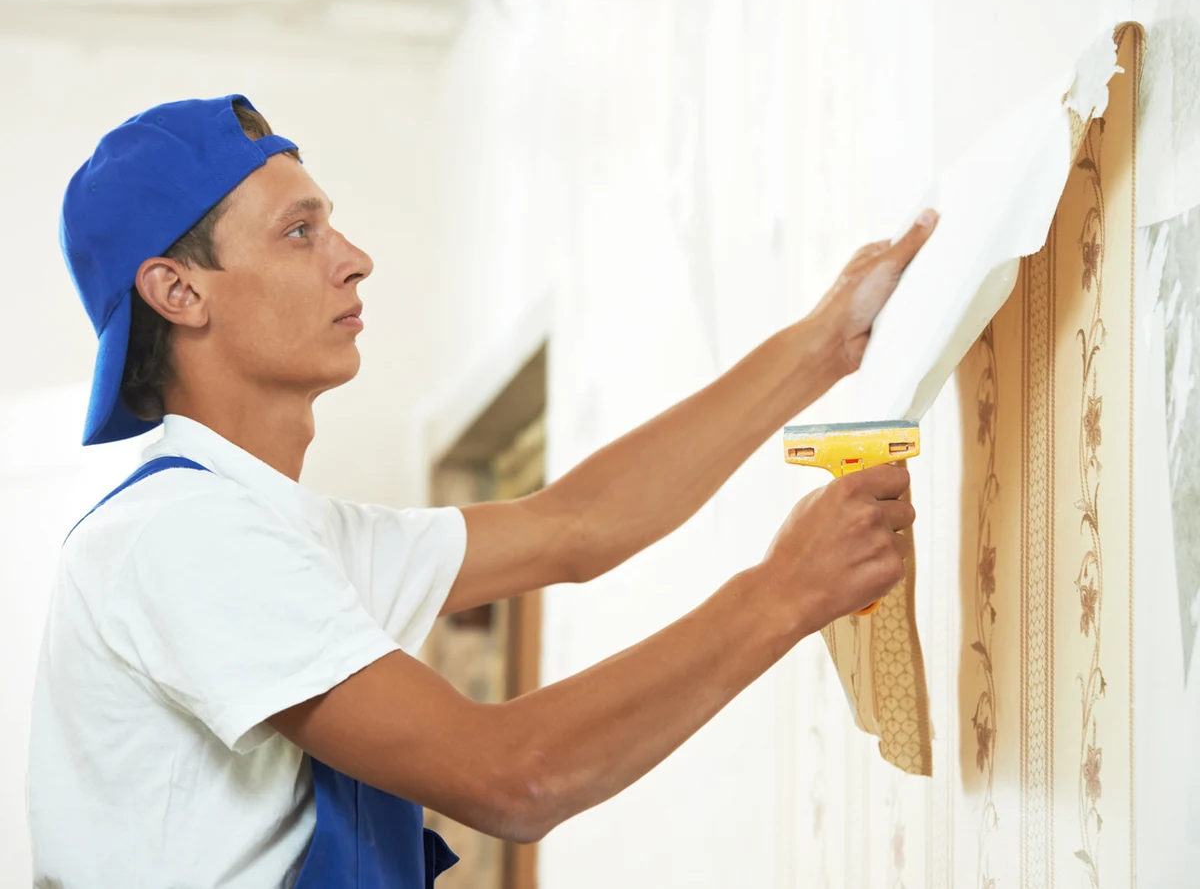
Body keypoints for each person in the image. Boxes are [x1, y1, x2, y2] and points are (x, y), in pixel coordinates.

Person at [28, 94, 935, 888]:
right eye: (299, 232)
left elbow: (577, 526)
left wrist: (824, 346)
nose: (354, 259)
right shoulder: (182, 537)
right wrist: (783, 595)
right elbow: (517, 777)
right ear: (178, 291)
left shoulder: (283, 535)